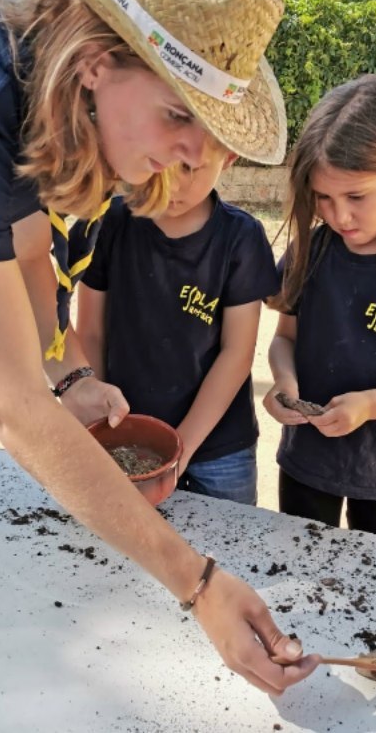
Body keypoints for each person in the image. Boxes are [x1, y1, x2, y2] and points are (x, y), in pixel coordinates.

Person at [0, 0, 319, 691]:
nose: (191, 154)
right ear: (97, 62)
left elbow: (30, 253)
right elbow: (8, 404)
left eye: (213, 132)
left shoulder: (27, 89)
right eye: (181, 114)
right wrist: (199, 584)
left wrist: (71, 377)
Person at [77, 150, 279, 505]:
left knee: (229, 552)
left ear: (228, 157)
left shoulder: (242, 237)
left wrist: (177, 453)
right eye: (158, 161)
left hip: (221, 448)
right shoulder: (109, 222)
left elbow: (238, 353)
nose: (171, 182)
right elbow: (90, 332)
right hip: (125, 435)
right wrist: (100, 423)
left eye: (190, 167)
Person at [263, 74, 376, 542]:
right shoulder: (313, 249)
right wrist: (283, 384)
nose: (338, 216)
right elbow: (284, 338)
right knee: (300, 563)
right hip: (308, 462)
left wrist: (371, 405)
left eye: (356, 197)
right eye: (323, 198)